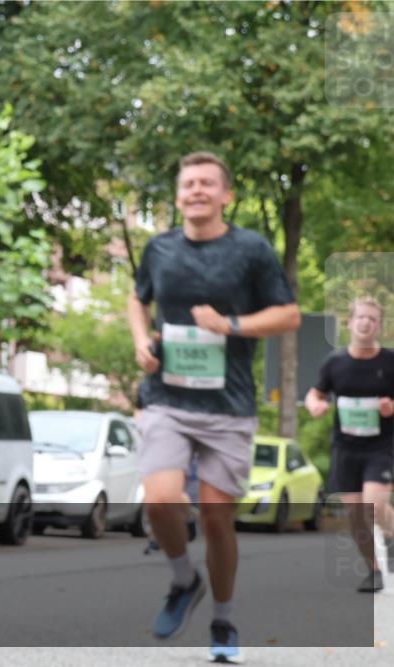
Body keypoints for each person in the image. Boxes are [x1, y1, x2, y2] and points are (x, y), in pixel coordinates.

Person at [128, 152, 300, 663]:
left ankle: (223, 621)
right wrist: (140, 341)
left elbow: (289, 315)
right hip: (167, 398)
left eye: (207, 183)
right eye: (188, 184)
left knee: (217, 517)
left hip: (228, 405)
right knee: (160, 500)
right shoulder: (159, 248)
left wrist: (234, 326)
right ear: (178, 195)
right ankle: (184, 581)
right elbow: (138, 299)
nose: (196, 190)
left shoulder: (251, 250)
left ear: (226, 195)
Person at [305, 297, 394, 593]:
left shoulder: (389, 361)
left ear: (379, 325)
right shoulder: (335, 362)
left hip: (381, 447)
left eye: (372, 318)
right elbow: (315, 394)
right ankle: (374, 570)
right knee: (356, 516)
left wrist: (390, 408)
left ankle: (391, 537)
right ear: (350, 322)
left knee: (375, 505)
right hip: (346, 449)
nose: (366, 322)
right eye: (361, 317)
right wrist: (315, 405)